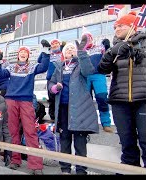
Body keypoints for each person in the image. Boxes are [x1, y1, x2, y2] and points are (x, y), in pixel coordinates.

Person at [97, 11, 146, 168]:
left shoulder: (145, 43)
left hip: (144, 98)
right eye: (115, 26)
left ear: (133, 26)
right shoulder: (115, 46)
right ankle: (129, 170)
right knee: (126, 142)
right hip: (120, 99)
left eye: (121, 25)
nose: (117, 29)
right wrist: (112, 53)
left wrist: (140, 54)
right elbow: (102, 69)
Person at [0, 41, 50, 175]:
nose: (23, 53)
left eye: (25, 52)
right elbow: (1, 75)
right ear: (18, 55)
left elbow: (44, 67)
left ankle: (36, 165)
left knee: (30, 131)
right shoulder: (12, 67)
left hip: (26, 101)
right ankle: (15, 160)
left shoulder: (32, 66)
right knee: (13, 131)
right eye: (21, 52)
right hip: (11, 100)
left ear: (28, 55)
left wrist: (46, 51)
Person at [49, 37, 99, 174]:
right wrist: (54, 88)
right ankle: (65, 169)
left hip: (80, 109)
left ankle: (81, 170)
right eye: (67, 49)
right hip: (63, 109)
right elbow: (51, 83)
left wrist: (82, 53)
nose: (70, 50)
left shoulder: (81, 64)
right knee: (64, 140)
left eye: (72, 48)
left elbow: (89, 71)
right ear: (63, 53)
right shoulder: (59, 67)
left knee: (80, 141)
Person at [82, 28, 113, 133]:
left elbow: (108, 56)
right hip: (85, 77)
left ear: (91, 38)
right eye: (84, 39)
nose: (87, 40)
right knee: (86, 101)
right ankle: (89, 123)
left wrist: (108, 47)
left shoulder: (99, 47)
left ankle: (106, 123)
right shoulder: (81, 51)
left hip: (99, 75)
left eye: (88, 38)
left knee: (102, 97)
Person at [43, 39, 62, 121]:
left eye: (56, 43)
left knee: (61, 98)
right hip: (50, 79)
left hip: (61, 78)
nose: (55, 45)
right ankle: (53, 116)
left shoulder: (63, 53)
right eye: (53, 43)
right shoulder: (49, 54)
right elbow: (40, 60)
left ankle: (61, 115)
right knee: (51, 98)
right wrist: (45, 49)